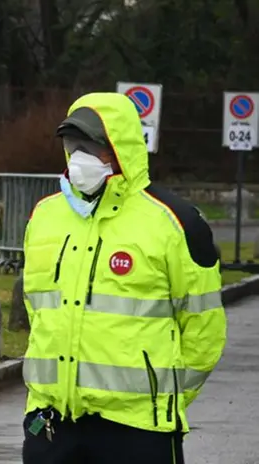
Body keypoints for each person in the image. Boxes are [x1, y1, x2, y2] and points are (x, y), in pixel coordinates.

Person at [20, 92, 227, 464]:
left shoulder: (175, 223)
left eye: (93, 145)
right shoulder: (44, 218)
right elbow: (38, 313)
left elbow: (204, 328)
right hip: (51, 424)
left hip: (138, 432)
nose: (79, 155)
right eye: (73, 144)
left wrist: (166, 398)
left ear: (122, 149)